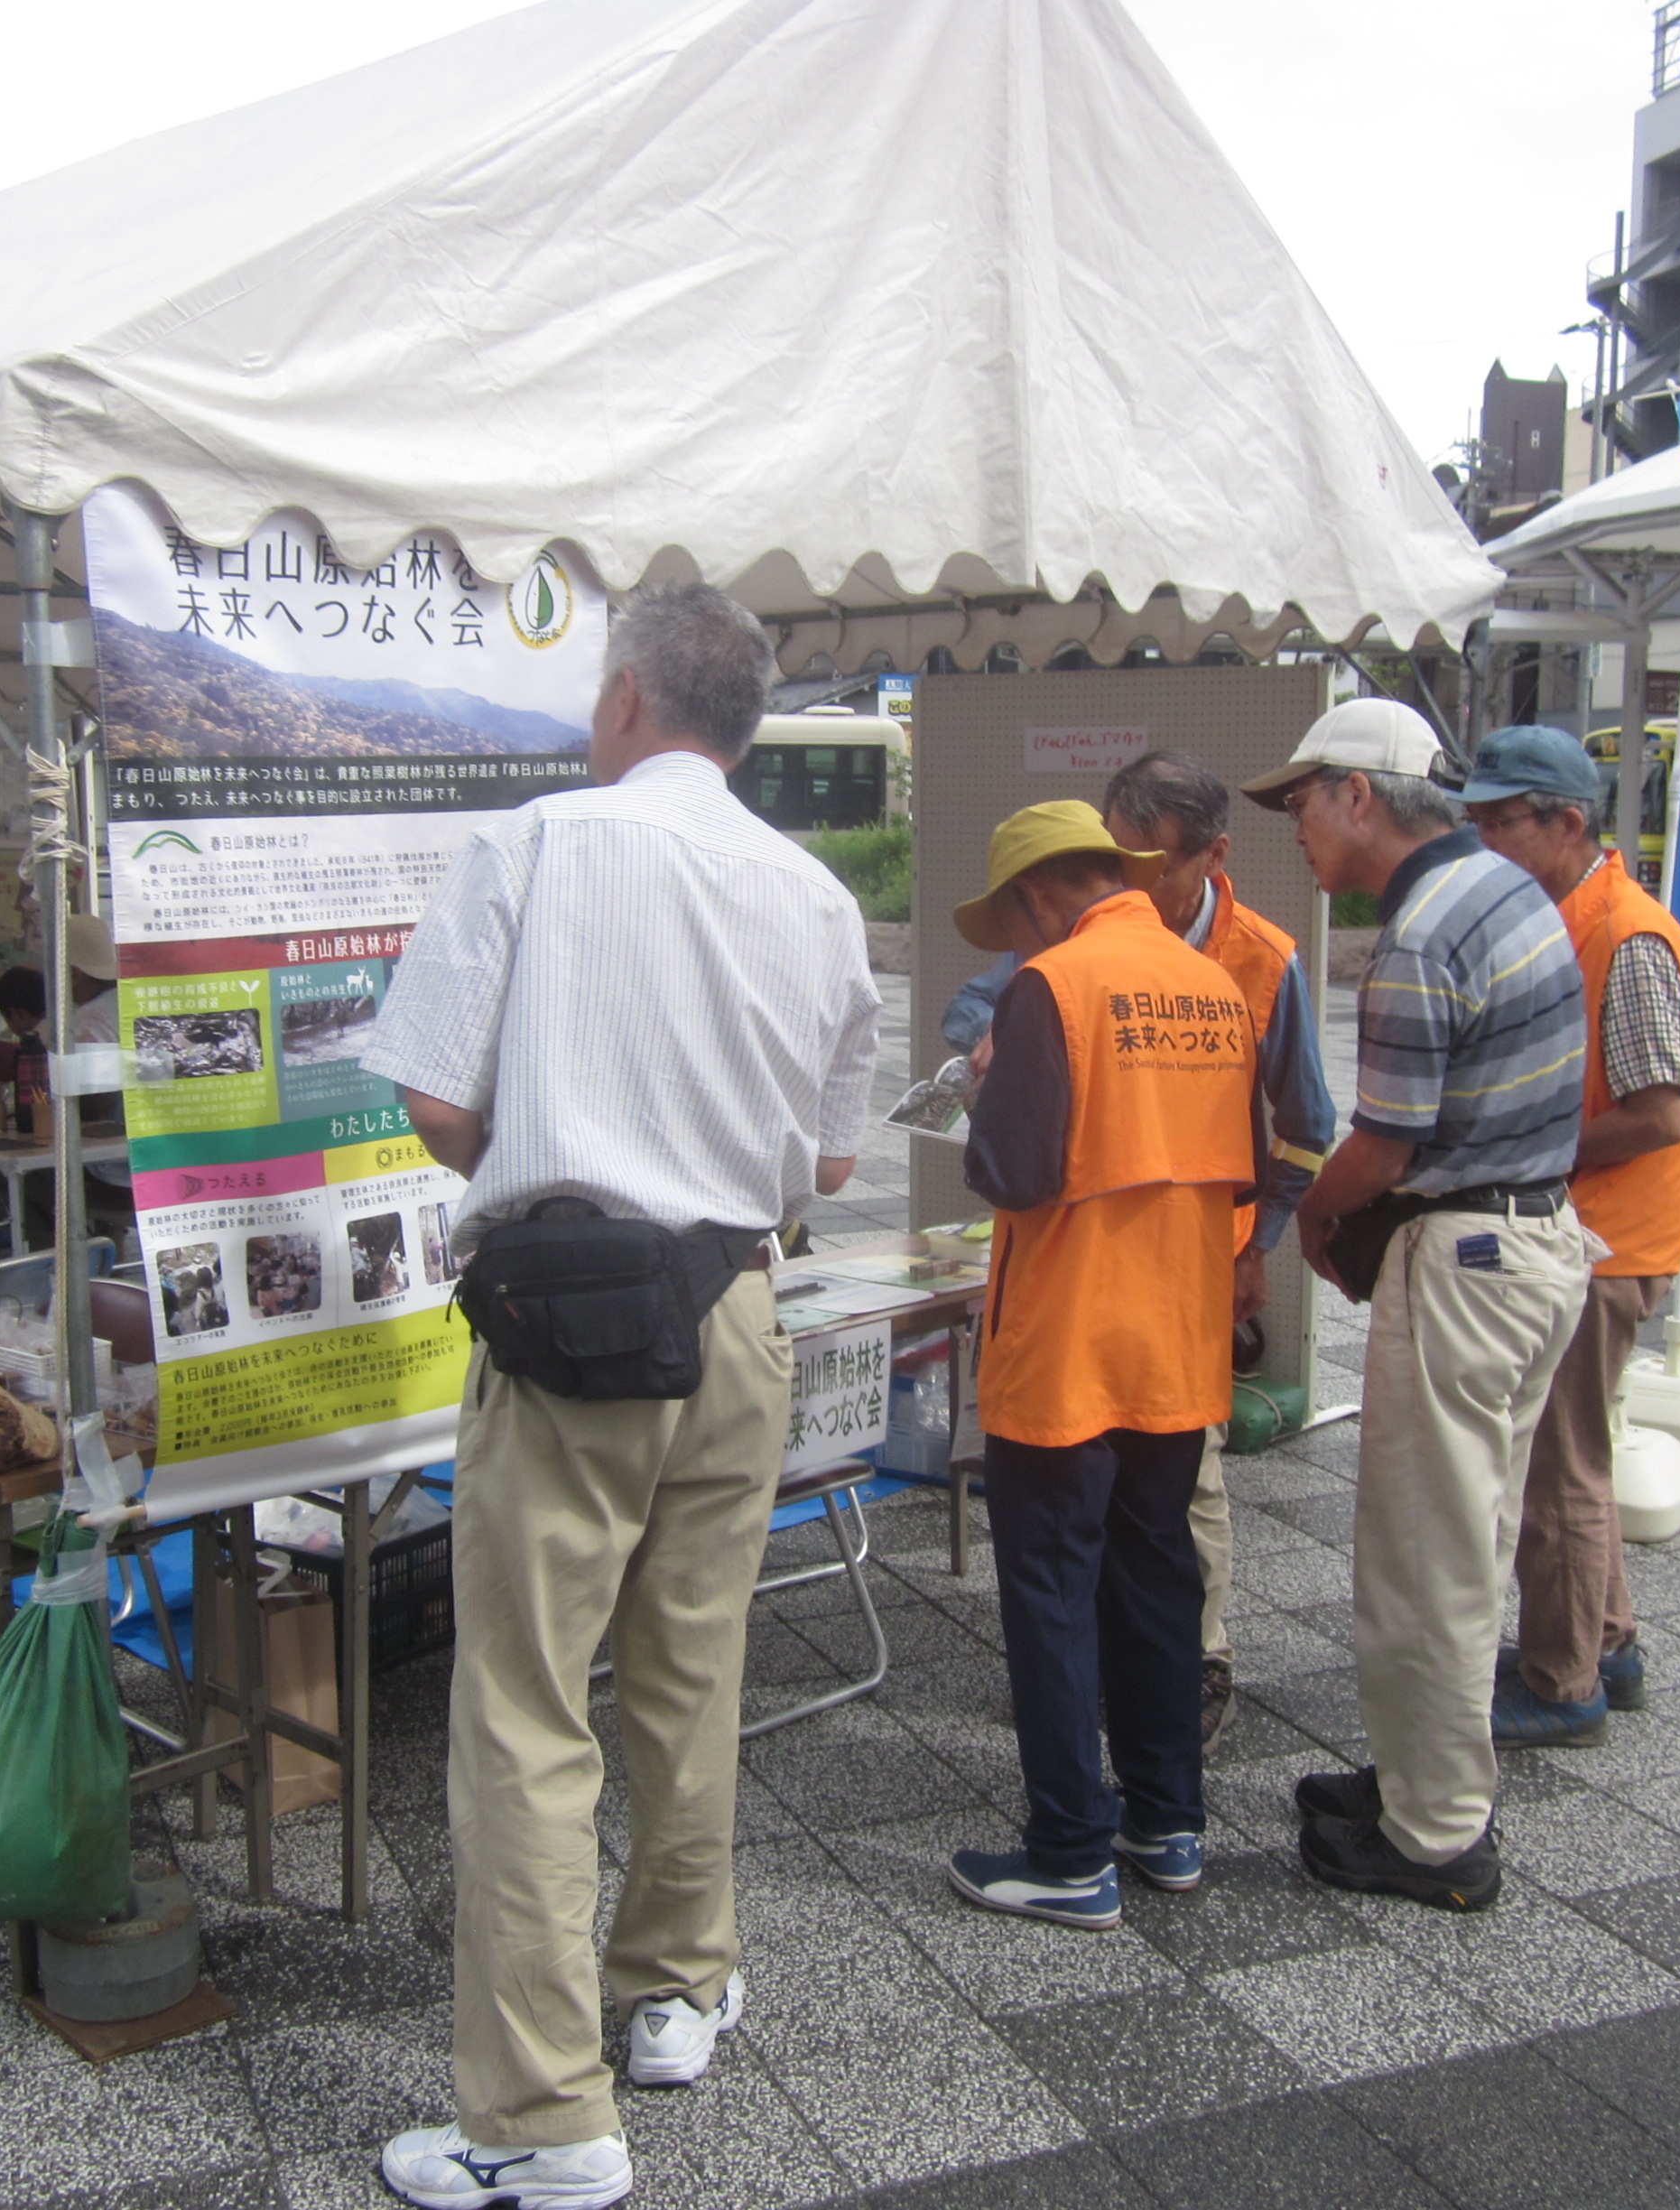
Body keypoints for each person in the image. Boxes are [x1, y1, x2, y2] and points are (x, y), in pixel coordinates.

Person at [363, 584, 878, 2210]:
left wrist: (554, 1134)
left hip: (572, 1319)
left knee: (523, 1706)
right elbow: (840, 1154)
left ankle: (538, 2116)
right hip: (738, 1306)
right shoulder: (809, 892)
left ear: (628, 699)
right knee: (689, 1663)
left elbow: (440, 1103)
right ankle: (672, 1983)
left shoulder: (534, 844)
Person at [1250, 697, 1588, 1914]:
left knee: (1426, 1558)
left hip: (1470, 1261)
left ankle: (1436, 1836)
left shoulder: (1421, 929)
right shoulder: (1504, 889)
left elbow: (1382, 1145)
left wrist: (1313, 1215)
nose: (1294, 828)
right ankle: (1423, 1784)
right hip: (1537, 1246)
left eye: (1301, 801)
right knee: (1470, 1540)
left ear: (1357, 793)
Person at [941, 800, 1258, 1931]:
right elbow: (1244, 1163)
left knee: (1051, 1592)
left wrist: (984, 1093)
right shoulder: (1209, 982)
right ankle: (1167, 1819)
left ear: (1037, 895)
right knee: (1156, 1578)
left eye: (1016, 920)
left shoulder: (1054, 987)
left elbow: (1016, 1171)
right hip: (1175, 1339)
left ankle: (1069, 1847)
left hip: (1067, 1345)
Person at [1460, 728, 1680, 1750]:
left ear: (1568, 824)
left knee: (1556, 1465)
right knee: (1579, 1452)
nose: (1480, 841)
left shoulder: (1625, 935)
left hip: (1607, 1245)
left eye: (1499, 822)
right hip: (1594, 1235)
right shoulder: (1568, 915)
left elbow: (1660, 1111)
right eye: (1474, 821)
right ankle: (1605, 1641)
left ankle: (1563, 1678)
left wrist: (1526, 1142)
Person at [1097, 750, 1335, 1745]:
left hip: (1200, 1255)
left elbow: (1308, 1127)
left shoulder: (1263, 958)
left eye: (1157, 865)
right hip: (1099, 1247)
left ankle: (1202, 1655)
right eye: (1119, 861)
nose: (1136, 887)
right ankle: (1110, 1639)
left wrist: (1256, 1249)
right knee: (1093, 1452)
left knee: (1186, 1463)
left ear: (1215, 855)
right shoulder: (1097, 930)